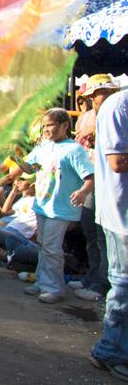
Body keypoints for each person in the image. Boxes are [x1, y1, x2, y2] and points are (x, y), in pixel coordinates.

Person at [13, 108, 95, 304]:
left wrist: (82, 192)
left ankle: (54, 288)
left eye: (50, 125)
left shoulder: (74, 150)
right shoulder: (43, 147)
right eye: (44, 126)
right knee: (44, 246)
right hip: (42, 205)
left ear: (64, 125)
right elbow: (29, 167)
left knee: (51, 248)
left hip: (61, 208)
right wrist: (14, 155)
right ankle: (42, 282)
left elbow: (90, 176)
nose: (46, 130)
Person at [89, 82, 128, 379]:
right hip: (121, 215)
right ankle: (111, 351)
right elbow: (118, 161)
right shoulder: (119, 106)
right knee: (124, 285)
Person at [72, 75, 122, 303]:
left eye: (98, 93)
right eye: (91, 95)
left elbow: (117, 161)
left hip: (109, 185)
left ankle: (101, 284)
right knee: (91, 233)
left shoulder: (117, 112)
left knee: (104, 238)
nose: (94, 99)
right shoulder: (86, 117)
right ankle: (92, 277)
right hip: (92, 181)